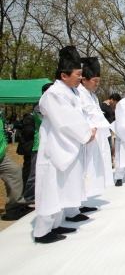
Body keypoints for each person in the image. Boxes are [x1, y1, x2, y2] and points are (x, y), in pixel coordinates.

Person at [33, 46, 94, 243]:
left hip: (67, 146)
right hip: (55, 149)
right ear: (64, 75)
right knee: (50, 187)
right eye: (77, 74)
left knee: (61, 188)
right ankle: (42, 231)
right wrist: (86, 132)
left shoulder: (71, 92)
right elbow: (67, 120)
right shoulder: (54, 94)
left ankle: (56, 223)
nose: (79, 78)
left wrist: (89, 128)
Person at [77, 57, 113, 204]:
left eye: (98, 81)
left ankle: (84, 200)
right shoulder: (78, 94)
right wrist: (88, 129)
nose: (97, 84)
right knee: (82, 170)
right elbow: (80, 115)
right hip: (85, 136)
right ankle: (77, 202)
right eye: (95, 81)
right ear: (84, 80)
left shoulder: (93, 96)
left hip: (96, 136)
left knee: (92, 169)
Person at [22, 83, 54, 204]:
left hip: (50, 143)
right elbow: (46, 120)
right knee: (35, 173)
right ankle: (28, 198)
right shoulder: (39, 105)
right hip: (39, 144)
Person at [1, 110, 34, 221]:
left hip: (1, 156)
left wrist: (4, 143)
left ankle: (15, 207)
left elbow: (2, 133)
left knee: (15, 171)